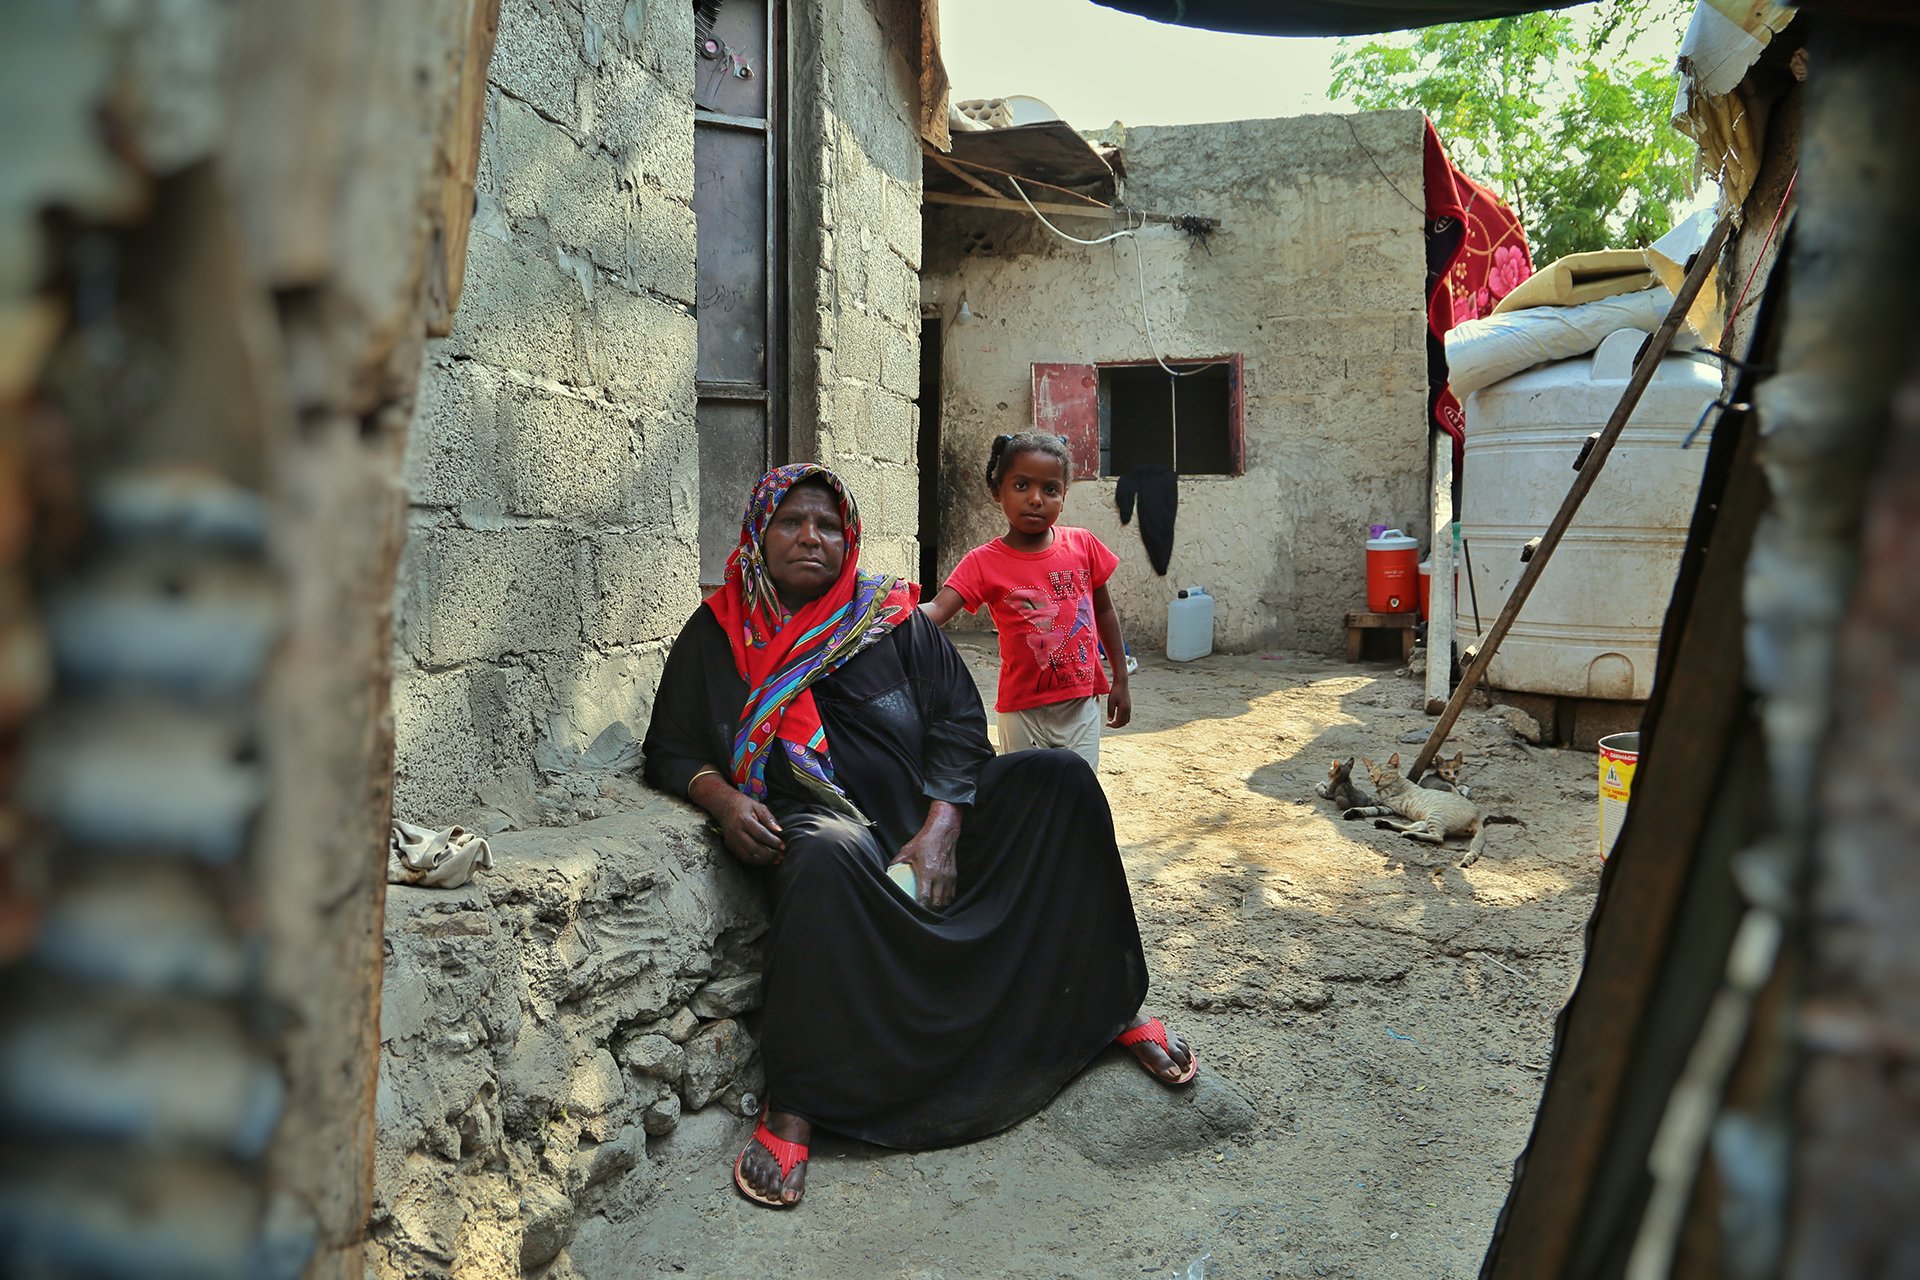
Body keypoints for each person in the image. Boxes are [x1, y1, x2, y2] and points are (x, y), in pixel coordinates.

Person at [641, 462, 1195, 1210]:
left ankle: (1105, 1009)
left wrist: (939, 830)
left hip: (935, 820)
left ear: (850, 539)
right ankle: (797, 1104)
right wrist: (725, 800)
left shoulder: (888, 618)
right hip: (833, 827)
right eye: (790, 522)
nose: (811, 537)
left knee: (1063, 784)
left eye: (828, 525)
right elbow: (671, 749)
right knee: (826, 855)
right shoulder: (718, 632)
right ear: (757, 534)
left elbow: (962, 727)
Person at [920, 432, 1131, 771]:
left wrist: (1120, 677)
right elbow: (938, 609)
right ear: (996, 491)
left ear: (1063, 496)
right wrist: (889, 610)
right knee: (1027, 798)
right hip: (1022, 711)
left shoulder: (1083, 545)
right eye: (1021, 486)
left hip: (1080, 706)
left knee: (1078, 793)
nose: (1036, 499)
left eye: (1050, 489)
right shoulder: (982, 561)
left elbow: (1104, 610)